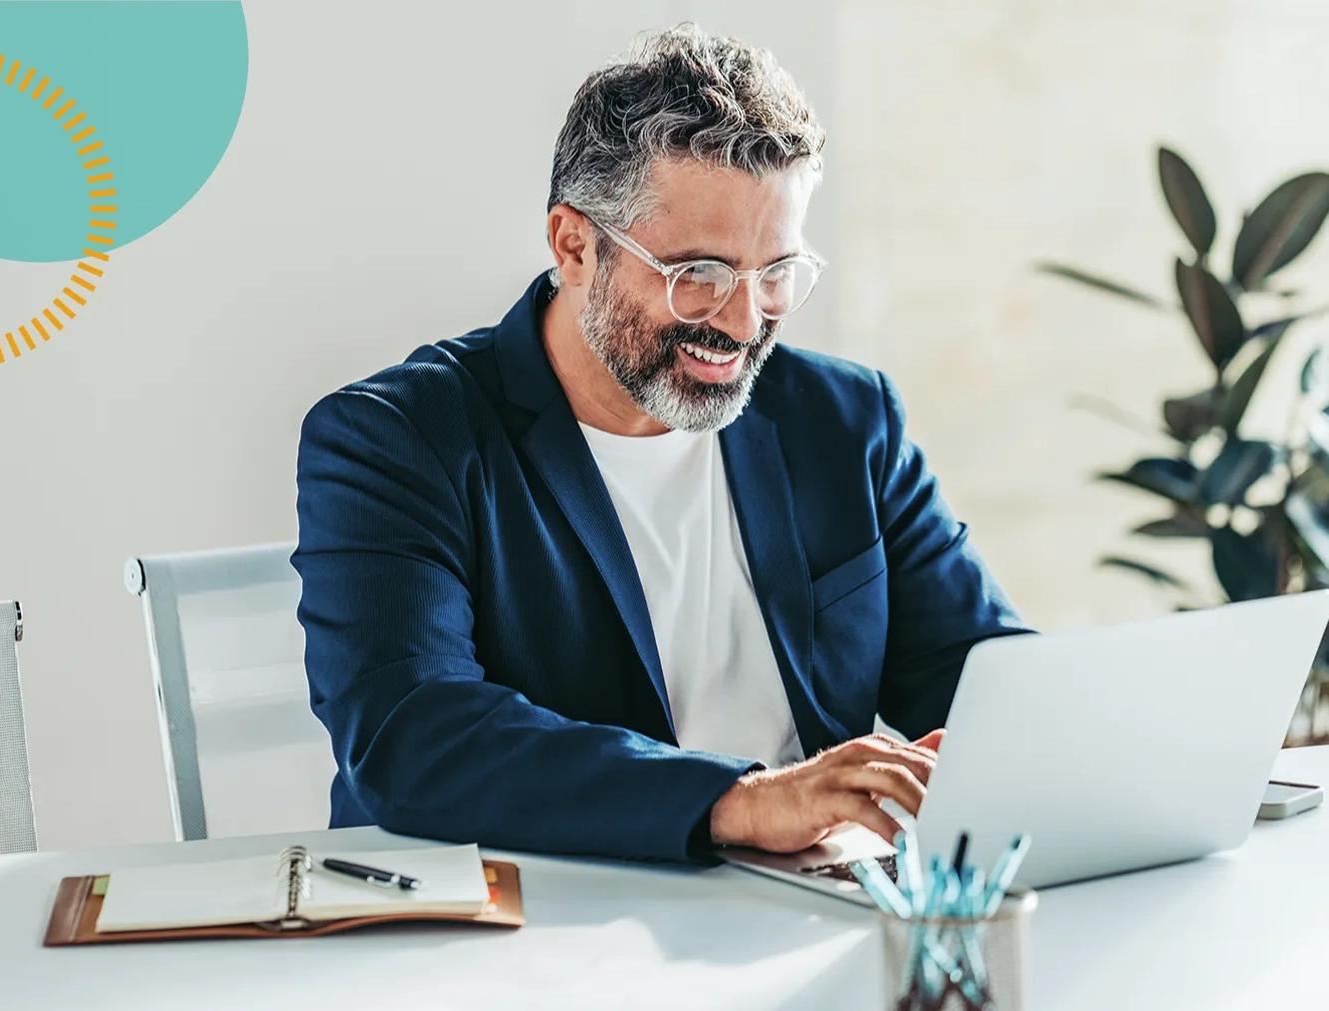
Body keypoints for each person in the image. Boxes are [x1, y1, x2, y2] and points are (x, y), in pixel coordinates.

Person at [290, 22, 1028, 864]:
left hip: (801, 925)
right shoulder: (396, 439)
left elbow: (988, 684)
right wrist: (737, 800)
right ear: (575, 245)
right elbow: (412, 738)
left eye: (776, 274)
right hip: (522, 937)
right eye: (699, 276)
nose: (745, 322)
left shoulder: (846, 420)